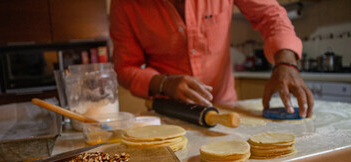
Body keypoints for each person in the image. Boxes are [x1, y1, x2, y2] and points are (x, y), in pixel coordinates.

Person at [110, 0, 314, 117]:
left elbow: (270, 15)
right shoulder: (125, 4)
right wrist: (163, 83)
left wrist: (286, 61)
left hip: (225, 108)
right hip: (169, 113)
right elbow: (126, 67)